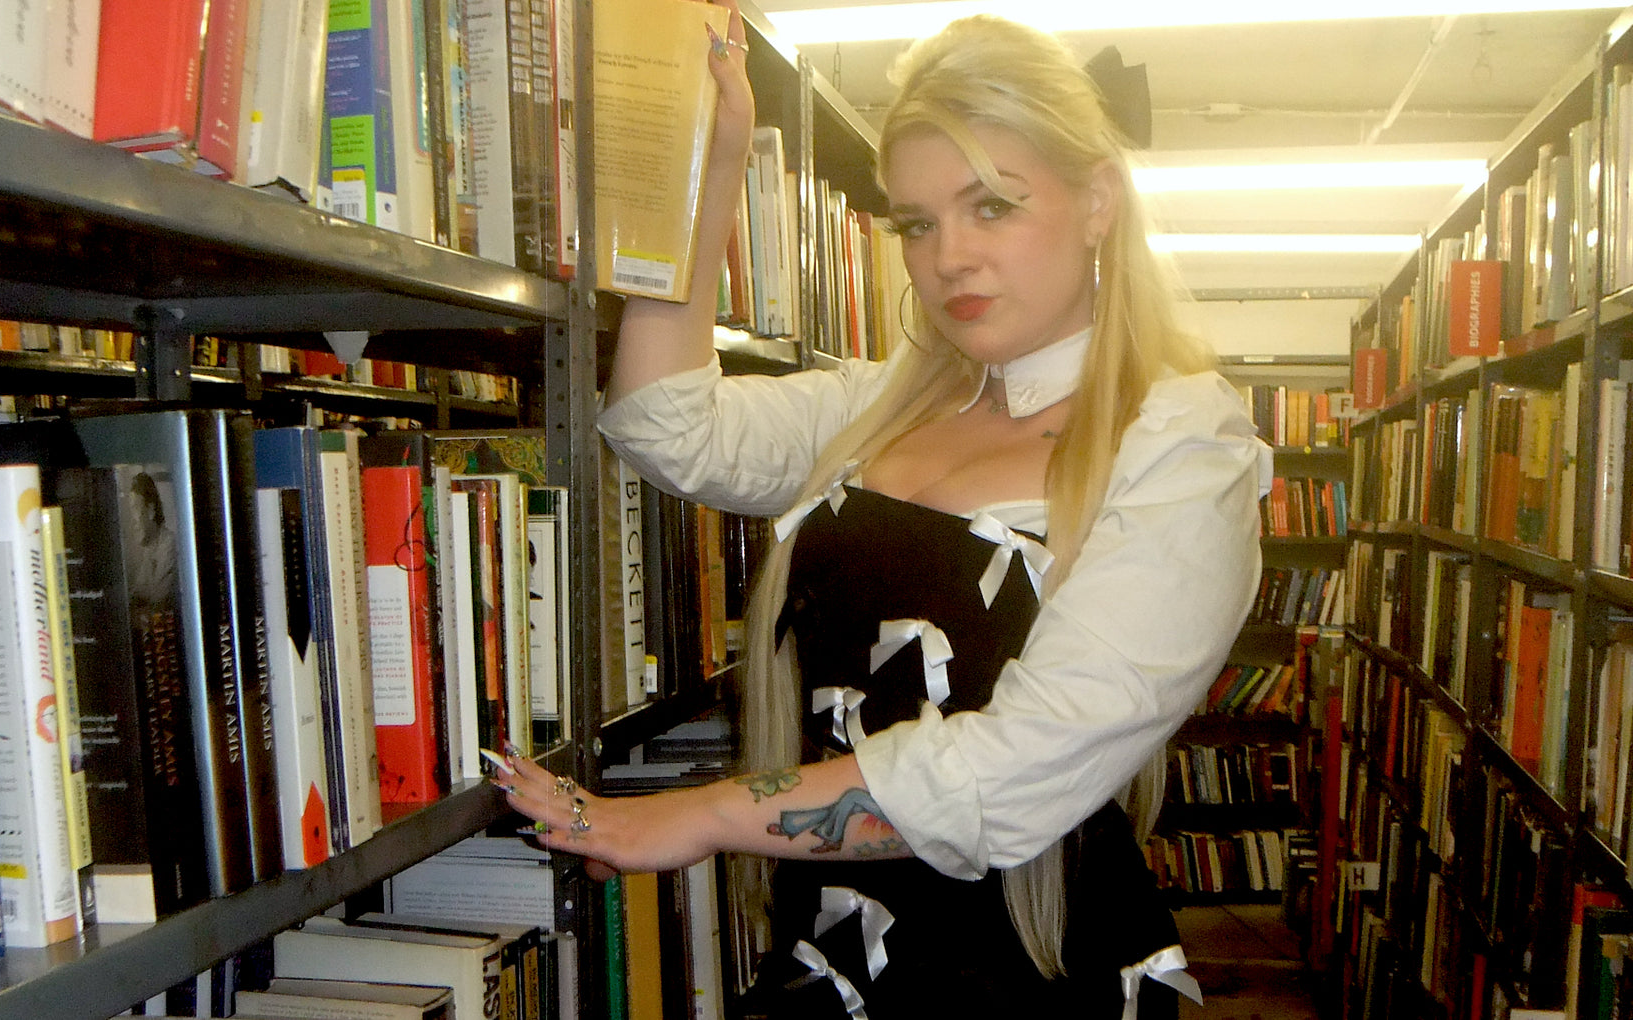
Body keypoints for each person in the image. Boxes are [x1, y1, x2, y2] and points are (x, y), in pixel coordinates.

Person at [495, 4, 1271, 1016]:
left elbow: (1009, 773)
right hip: (833, 954)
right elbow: (660, 421)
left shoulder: (1180, 448)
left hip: (1031, 976)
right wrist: (711, 161)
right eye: (916, 223)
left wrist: (700, 817)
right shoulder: (891, 399)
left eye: (991, 205)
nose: (948, 256)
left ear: (1097, 202)